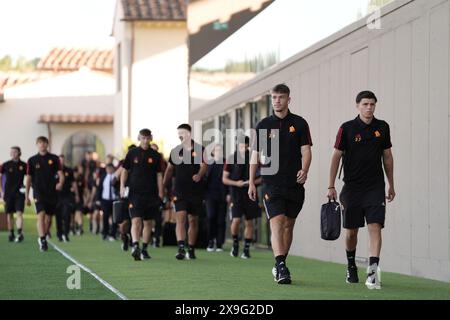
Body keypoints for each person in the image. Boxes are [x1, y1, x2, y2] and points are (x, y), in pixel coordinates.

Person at [327, 90, 395, 290]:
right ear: (357, 106)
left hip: (375, 187)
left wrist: (391, 184)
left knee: (375, 227)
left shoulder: (382, 127)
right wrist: (331, 185)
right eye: (365, 104)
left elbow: (388, 157)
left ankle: (372, 272)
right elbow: (335, 157)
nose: (369, 107)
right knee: (351, 233)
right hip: (352, 188)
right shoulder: (346, 128)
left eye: (372, 104)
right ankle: (351, 265)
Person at [249, 84, 312, 284]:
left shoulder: (300, 124)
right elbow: (255, 156)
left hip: (294, 185)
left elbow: (306, 151)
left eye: (281, 97)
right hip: (271, 184)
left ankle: (280, 263)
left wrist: (305, 169)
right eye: (274, 97)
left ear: (288, 100)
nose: (277, 101)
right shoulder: (263, 125)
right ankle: (282, 266)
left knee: (288, 226)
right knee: (277, 224)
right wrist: (251, 182)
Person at [163, 123, 207, 260]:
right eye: (178, 133)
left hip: (195, 191)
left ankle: (191, 248)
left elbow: (204, 165)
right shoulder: (176, 151)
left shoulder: (200, 149)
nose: (180, 136)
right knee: (180, 218)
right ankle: (181, 248)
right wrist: (164, 185)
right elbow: (170, 169)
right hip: (179, 191)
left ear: (189, 133)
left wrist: (199, 175)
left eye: (182, 133)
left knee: (193, 220)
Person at [120, 129, 164, 261]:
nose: (145, 140)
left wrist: (161, 192)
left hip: (151, 194)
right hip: (135, 193)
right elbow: (124, 171)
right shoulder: (132, 153)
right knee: (136, 220)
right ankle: (135, 246)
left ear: (151, 138)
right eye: (143, 138)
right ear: (139, 138)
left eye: (147, 138)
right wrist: (122, 186)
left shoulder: (156, 156)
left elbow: (159, 175)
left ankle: (144, 248)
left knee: (148, 223)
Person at [223, 137, 261, 259]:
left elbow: (262, 177)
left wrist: (251, 183)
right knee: (236, 220)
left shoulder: (253, 157)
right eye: (241, 146)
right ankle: (235, 244)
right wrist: (237, 183)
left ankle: (246, 249)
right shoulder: (231, 158)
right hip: (236, 194)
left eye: (245, 146)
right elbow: (224, 179)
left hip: (251, 193)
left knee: (249, 222)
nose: (243, 148)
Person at [25, 136, 64, 252]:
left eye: (44, 143)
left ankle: (44, 235)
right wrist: (27, 196)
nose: (42, 145)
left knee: (48, 219)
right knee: (41, 215)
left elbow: (61, 174)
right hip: (38, 192)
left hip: (51, 192)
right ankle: (42, 240)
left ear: (47, 144)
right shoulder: (32, 160)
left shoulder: (55, 158)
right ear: (37, 145)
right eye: (40, 143)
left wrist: (61, 183)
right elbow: (28, 178)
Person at [0, 146, 27, 242]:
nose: (13, 153)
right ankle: (11, 233)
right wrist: (1, 191)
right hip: (8, 194)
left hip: (20, 193)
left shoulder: (24, 165)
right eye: (11, 152)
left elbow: (29, 178)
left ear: (19, 153)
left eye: (15, 152)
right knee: (9, 214)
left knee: (19, 213)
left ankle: (19, 233)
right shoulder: (5, 165)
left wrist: (27, 190)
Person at [204, 143, 227, 252]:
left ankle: (219, 243)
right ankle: (210, 241)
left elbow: (229, 178)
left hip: (223, 195)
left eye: (220, 150)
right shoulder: (208, 163)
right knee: (211, 217)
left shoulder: (226, 162)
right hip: (210, 195)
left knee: (221, 220)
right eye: (216, 150)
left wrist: (229, 194)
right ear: (213, 152)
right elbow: (204, 179)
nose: (219, 151)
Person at [55, 154, 79, 242]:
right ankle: (59, 234)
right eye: (59, 160)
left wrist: (76, 195)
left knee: (67, 215)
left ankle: (66, 234)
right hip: (56, 197)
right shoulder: (54, 170)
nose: (61, 162)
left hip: (67, 196)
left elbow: (74, 183)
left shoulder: (69, 170)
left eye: (62, 160)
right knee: (58, 216)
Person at [98, 163, 119, 241]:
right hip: (105, 200)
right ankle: (105, 233)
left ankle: (113, 234)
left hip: (114, 200)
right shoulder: (103, 176)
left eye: (110, 168)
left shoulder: (116, 176)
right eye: (108, 168)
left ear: (113, 169)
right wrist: (98, 199)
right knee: (105, 217)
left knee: (115, 218)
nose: (109, 170)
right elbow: (99, 188)